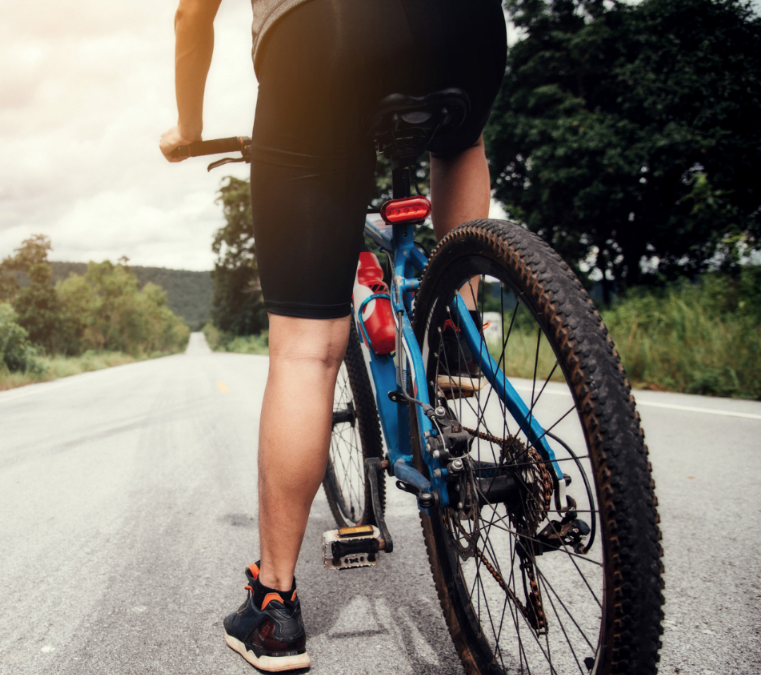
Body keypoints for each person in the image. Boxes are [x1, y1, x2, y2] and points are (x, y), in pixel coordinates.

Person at [160, 0, 506, 670]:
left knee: (305, 348)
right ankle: (456, 331)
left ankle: (274, 605)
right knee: (460, 139)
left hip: (325, 34)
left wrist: (188, 127)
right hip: (465, 26)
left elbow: (192, 15)